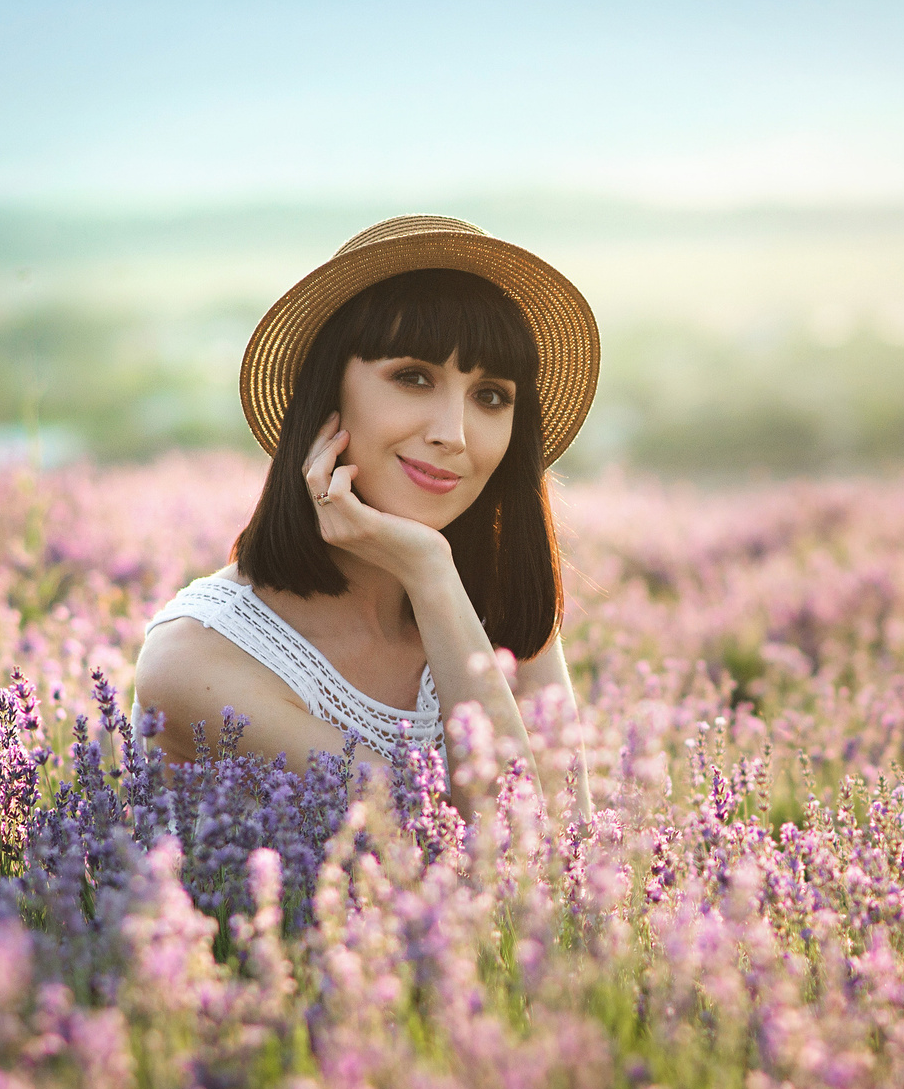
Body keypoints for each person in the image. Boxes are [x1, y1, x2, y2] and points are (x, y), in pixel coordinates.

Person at [132, 215, 598, 814]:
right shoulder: (198, 659)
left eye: (490, 396)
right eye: (413, 377)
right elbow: (485, 841)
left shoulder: (494, 608)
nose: (454, 434)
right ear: (328, 394)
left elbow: (567, 853)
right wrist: (428, 570)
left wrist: (433, 578)